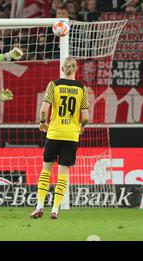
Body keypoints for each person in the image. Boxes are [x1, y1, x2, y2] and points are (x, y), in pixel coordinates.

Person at [30, 56, 89, 219]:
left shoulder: (53, 85)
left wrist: (43, 122)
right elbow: (85, 116)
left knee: (46, 169)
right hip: (71, 135)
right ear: (76, 69)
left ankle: (40, 206)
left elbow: (43, 109)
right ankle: (55, 209)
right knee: (63, 172)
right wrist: (81, 126)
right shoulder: (82, 89)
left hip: (54, 132)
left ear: (63, 68)